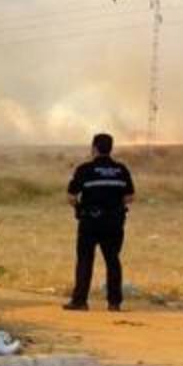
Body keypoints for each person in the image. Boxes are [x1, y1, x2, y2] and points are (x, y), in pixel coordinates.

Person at [64, 133, 135, 312]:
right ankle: (114, 303)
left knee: (85, 260)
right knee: (113, 261)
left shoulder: (85, 169)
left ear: (94, 147)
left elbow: (71, 196)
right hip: (114, 222)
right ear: (110, 148)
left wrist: (80, 208)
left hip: (90, 222)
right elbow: (130, 197)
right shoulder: (121, 170)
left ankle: (79, 301)